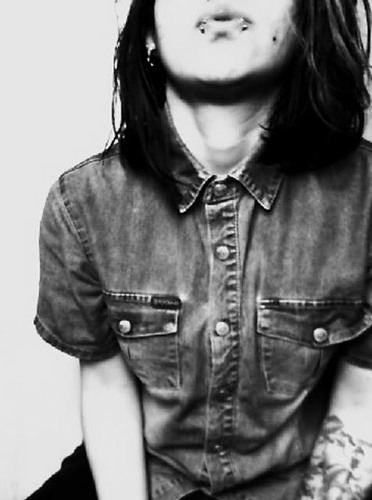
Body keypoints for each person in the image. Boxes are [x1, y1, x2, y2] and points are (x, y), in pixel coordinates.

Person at [30, 0, 372, 498]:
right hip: (148, 477)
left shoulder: (366, 201)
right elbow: (107, 388)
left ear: (306, 21)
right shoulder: (81, 206)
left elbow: (361, 402)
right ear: (147, 30)